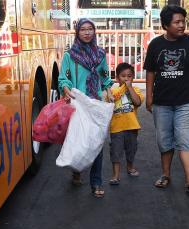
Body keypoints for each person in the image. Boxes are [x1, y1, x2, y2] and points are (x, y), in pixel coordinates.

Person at [143, 5, 189, 194]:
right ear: (165, 25)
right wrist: (149, 97)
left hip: (186, 101)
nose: (182, 25)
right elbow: (150, 73)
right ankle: (165, 174)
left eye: (183, 21)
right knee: (164, 140)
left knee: (185, 138)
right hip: (162, 102)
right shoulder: (156, 45)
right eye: (177, 22)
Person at [58, 18, 114, 198]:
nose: (87, 32)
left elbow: (105, 76)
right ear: (77, 32)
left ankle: (96, 182)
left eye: (90, 29)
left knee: (97, 142)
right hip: (77, 104)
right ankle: (77, 169)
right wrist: (66, 89)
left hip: (95, 104)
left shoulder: (100, 54)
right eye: (83, 29)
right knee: (79, 140)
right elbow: (63, 78)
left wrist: (108, 90)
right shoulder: (69, 56)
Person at [108, 62, 144, 185]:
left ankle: (130, 167)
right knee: (116, 151)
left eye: (129, 76)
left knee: (131, 149)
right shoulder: (113, 92)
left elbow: (137, 102)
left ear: (133, 78)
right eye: (123, 76)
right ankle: (115, 175)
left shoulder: (136, 90)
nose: (126, 78)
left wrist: (129, 88)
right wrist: (115, 92)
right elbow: (110, 103)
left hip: (132, 126)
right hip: (117, 128)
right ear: (117, 78)